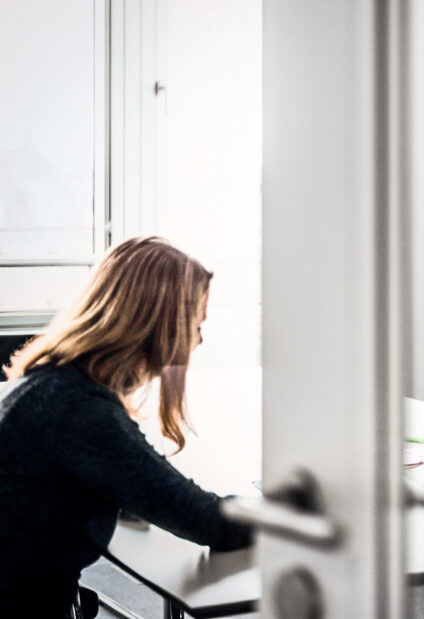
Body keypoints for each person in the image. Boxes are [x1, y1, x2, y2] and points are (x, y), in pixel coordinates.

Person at [0, 237, 252, 619]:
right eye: (195, 326)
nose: (199, 341)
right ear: (158, 325)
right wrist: (279, 512)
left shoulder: (51, 383)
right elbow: (207, 522)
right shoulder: (79, 409)